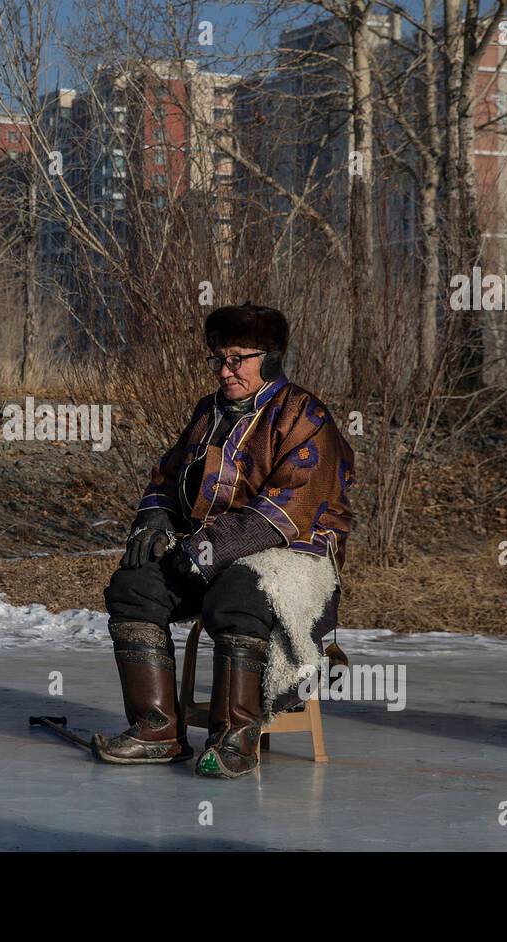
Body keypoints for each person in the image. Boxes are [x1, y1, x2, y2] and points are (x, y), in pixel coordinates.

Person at [94, 302, 355, 778]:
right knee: (134, 588)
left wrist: (208, 549)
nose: (225, 369)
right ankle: (156, 730)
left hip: (290, 556)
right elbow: (168, 476)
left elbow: (291, 507)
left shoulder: (304, 414)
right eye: (218, 358)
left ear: (270, 357)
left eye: (239, 358)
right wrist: (152, 521)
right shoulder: (208, 411)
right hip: (206, 551)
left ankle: (235, 735)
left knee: (237, 596)